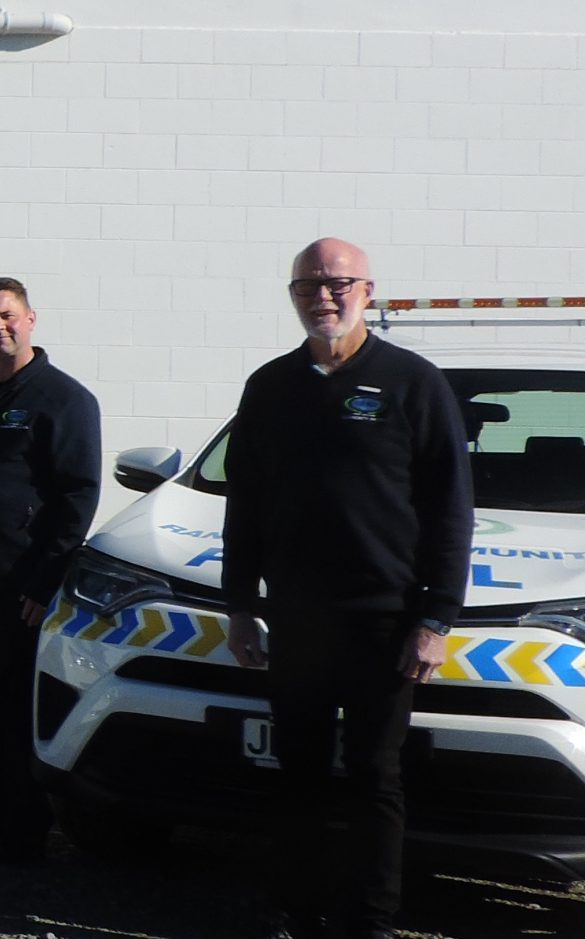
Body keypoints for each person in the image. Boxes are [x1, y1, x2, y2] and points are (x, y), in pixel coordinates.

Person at [222, 238, 472, 939]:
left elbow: (451, 507)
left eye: (338, 283)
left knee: (373, 777)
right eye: (308, 285)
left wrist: (437, 618)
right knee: (297, 770)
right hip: (297, 617)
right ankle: (296, 909)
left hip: (384, 621)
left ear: (368, 290)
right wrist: (240, 604)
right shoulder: (269, 387)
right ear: (292, 293)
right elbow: (244, 503)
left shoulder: (412, 383)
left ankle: (370, 919)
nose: (323, 296)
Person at [0, 277, 101, 865]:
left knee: (18, 706)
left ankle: (26, 830)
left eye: (7, 315)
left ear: (32, 319)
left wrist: (43, 581)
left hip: (21, 587)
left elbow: (76, 498)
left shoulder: (64, 400)